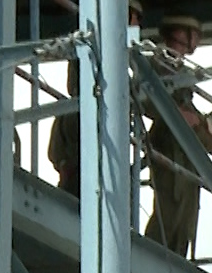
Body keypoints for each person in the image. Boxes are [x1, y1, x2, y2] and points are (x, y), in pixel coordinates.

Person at [48, 0, 143, 195]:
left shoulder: (109, 54)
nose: (137, 25)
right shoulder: (95, 48)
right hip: (89, 132)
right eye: (135, 18)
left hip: (98, 135)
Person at [144, 12, 212, 256]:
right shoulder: (157, 61)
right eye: (192, 33)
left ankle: (175, 256)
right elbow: (148, 99)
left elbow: (190, 111)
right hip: (168, 143)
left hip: (183, 150)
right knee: (170, 208)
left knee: (186, 214)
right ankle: (156, 255)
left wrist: (200, 124)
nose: (196, 39)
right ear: (178, 33)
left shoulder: (179, 68)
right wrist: (183, 116)